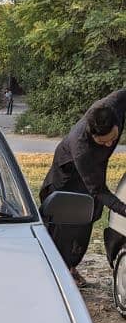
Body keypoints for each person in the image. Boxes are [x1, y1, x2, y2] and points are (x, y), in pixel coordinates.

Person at [40, 89, 126, 287]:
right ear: (92, 135)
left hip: (94, 171)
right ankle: (59, 269)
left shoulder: (114, 105)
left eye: (113, 139)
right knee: (67, 220)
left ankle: (70, 264)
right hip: (68, 175)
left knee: (91, 216)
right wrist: (124, 210)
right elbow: (99, 190)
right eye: (103, 142)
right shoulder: (82, 148)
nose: (110, 145)